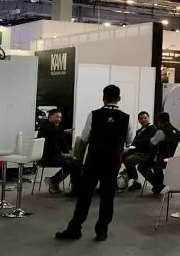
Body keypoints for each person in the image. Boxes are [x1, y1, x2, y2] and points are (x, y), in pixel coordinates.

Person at [55, 85, 130, 242]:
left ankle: (75, 228)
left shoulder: (94, 114)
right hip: (113, 161)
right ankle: (102, 230)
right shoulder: (126, 118)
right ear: (119, 98)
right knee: (107, 196)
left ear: (103, 98)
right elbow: (129, 139)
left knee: (85, 195)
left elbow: (84, 137)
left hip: (95, 159)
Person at [38, 109, 82, 196]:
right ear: (50, 117)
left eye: (60, 118)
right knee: (72, 165)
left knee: (76, 163)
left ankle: (54, 180)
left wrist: (67, 154)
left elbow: (62, 141)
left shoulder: (56, 128)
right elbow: (52, 133)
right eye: (57, 117)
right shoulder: (45, 127)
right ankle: (75, 189)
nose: (59, 119)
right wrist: (63, 131)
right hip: (47, 157)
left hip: (56, 155)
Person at [145, 112, 180, 195]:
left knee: (144, 165)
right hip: (175, 159)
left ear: (159, 121)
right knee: (154, 162)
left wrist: (150, 139)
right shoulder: (176, 131)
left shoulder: (161, 131)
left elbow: (153, 142)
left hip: (163, 159)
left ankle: (159, 184)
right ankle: (159, 184)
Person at [122, 111, 156, 191]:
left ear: (148, 118)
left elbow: (145, 142)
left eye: (145, 118)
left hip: (146, 153)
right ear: (138, 120)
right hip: (137, 151)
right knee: (120, 156)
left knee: (129, 160)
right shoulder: (140, 130)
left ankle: (135, 182)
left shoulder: (152, 129)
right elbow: (134, 142)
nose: (143, 120)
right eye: (141, 119)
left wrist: (135, 142)